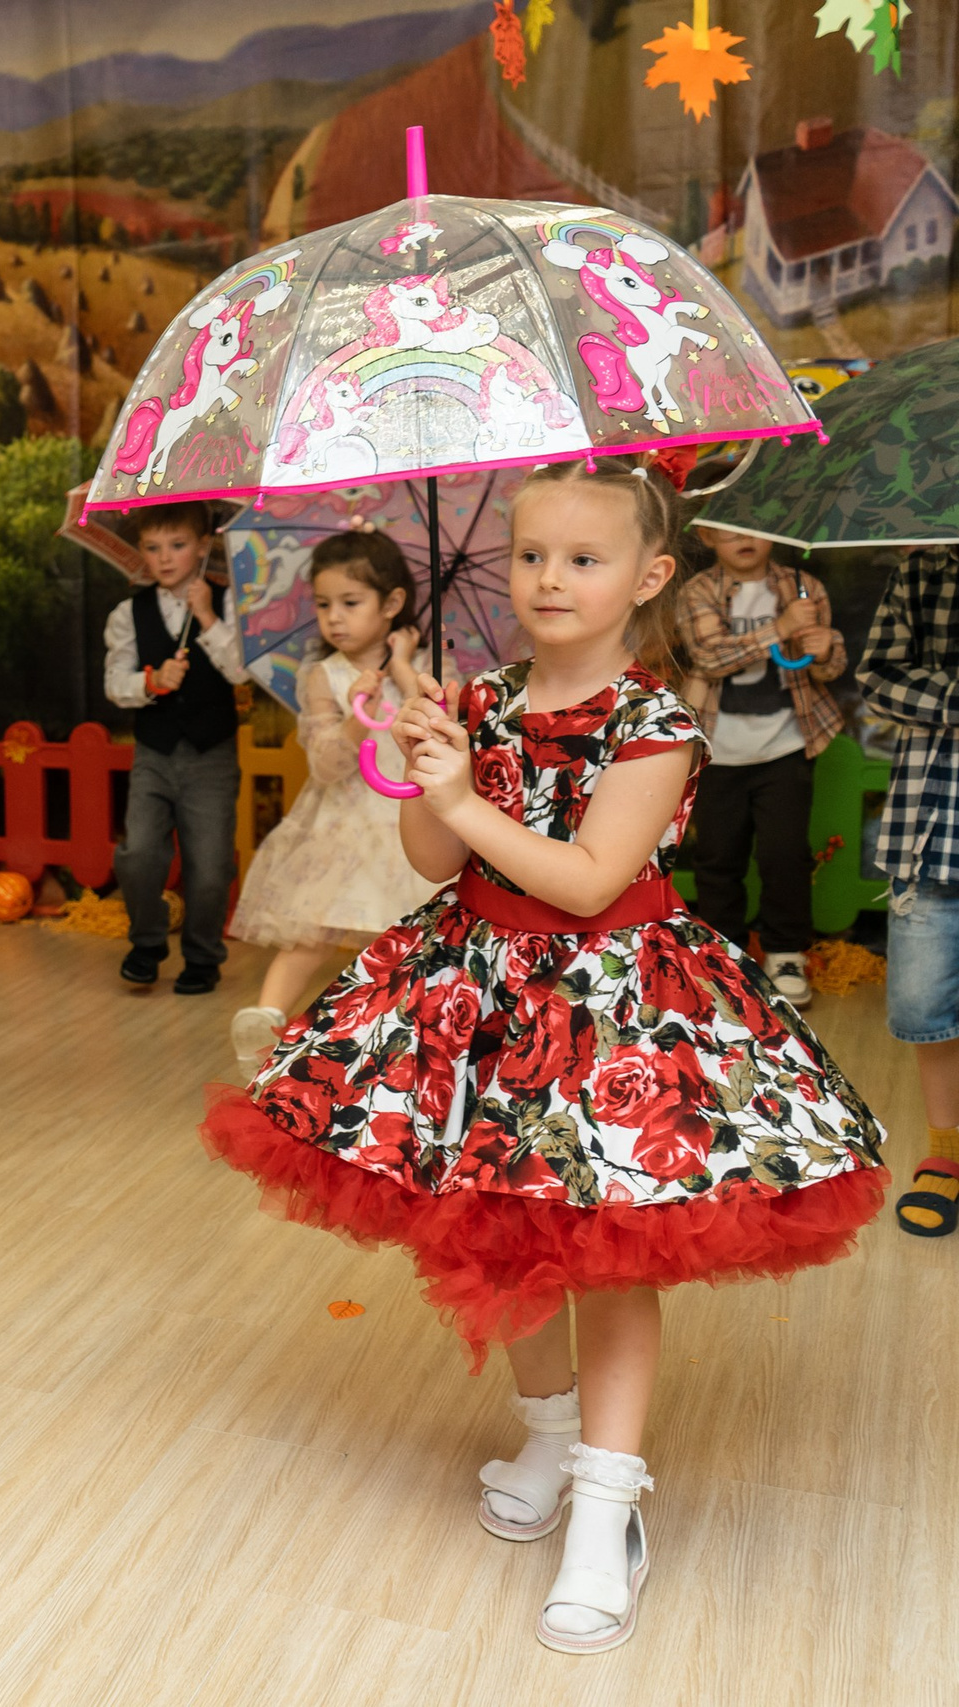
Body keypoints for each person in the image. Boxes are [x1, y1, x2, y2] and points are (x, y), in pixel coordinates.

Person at [201, 459, 884, 1654]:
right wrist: (427, 761)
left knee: (611, 1256)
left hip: (612, 1005)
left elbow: (585, 880)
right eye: (530, 557)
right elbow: (429, 861)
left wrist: (467, 805)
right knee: (498, 1229)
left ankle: (608, 1510)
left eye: (584, 558)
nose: (550, 579)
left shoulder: (655, 722)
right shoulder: (481, 697)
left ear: (647, 578)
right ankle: (553, 1435)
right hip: (475, 996)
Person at [227, 529, 440, 1065]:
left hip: (410, 825)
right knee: (312, 931)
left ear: (392, 604)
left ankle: (402, 1037)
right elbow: (325, 765)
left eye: (350, 602)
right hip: (341, 826)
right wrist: (353, 714)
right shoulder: (323, 675)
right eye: (324, 605)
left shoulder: (422, 670)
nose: (334, 618)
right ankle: (267, 1018)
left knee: (408, 936)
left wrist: (403, 674)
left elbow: (436, 732)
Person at [675, 518, 845, 1005]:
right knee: (717, 857)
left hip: (786, 744)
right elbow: (708, 658)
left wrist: (824, 648)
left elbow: (830, 668)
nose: (745, 540)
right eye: (728, 532)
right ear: (706, 538)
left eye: (753, 529)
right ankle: (722, 954)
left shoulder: (803, 587)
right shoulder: (699, 591)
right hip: (721, 750)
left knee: (785, 852)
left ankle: (785, 950)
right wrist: (780, 628)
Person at [104, 501, 249, 995]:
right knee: (139, 852)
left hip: (211, 755)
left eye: (178, 545)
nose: (164, 558)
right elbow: (114, 683)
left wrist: (207, 618)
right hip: (155, 754)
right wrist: (152, 680)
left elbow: (240, 672)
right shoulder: (130, 613)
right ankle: (146, 944)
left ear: (204, 546)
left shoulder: (226, 604)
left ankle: (203, 955)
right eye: (152, 547)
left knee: (209, 866)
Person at [857, 545, 959, 1238]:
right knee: (924, 1002)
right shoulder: (925, 570)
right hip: (931, 829)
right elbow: (878, 677)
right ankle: (946, 1151)